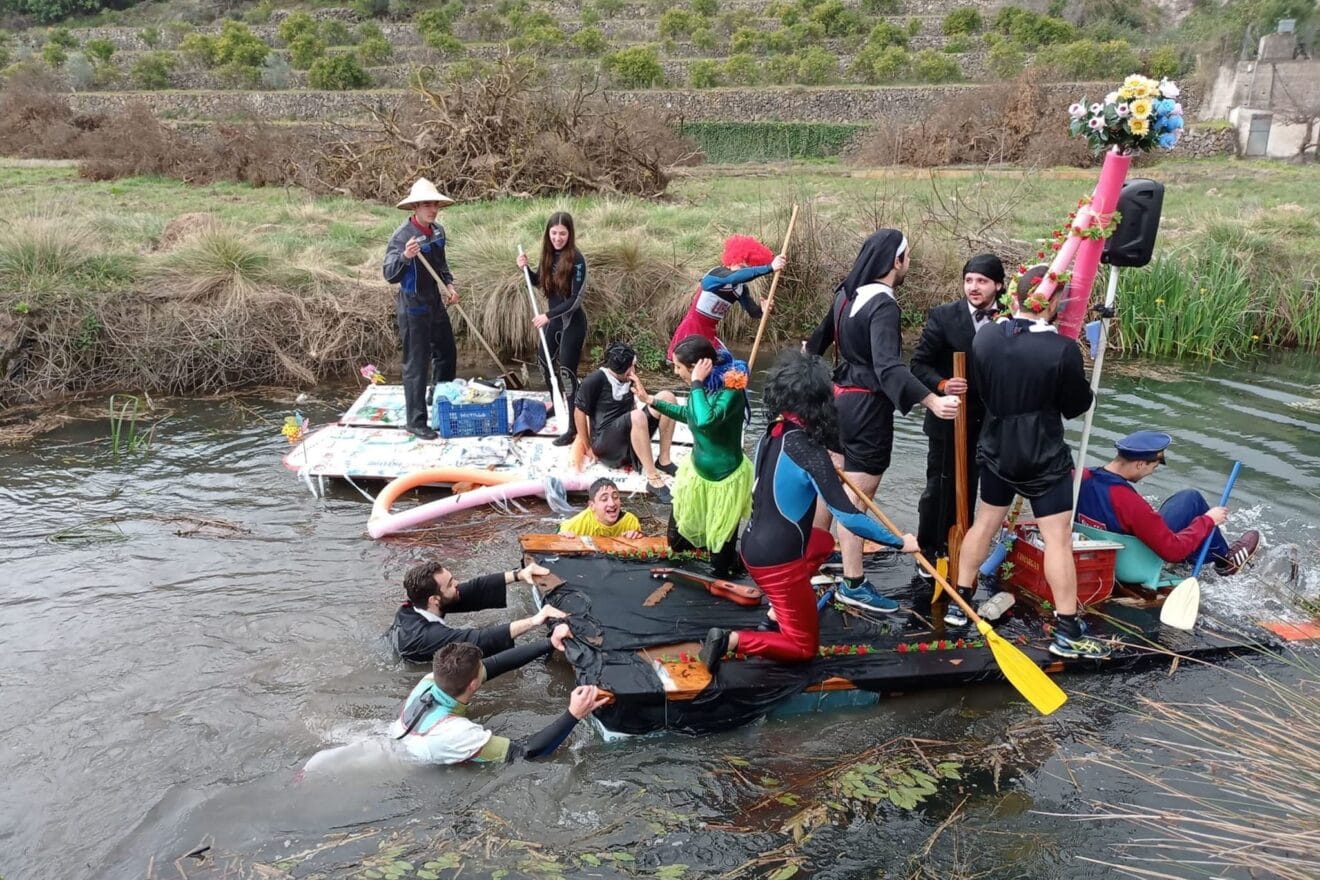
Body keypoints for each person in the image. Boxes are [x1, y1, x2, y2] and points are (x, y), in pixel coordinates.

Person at [698, 353, 920, 672]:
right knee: (803, 648)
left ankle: (778, 609)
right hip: (777, 565)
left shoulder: (771, 433)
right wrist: (901, 543)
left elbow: (791, 478)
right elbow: (851, 518)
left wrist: (822, 469)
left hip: (751, 547)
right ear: (819, 403)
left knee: (822, 543)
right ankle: (731, 640)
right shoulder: (810, 451)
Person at [952, 265, 1109, 658]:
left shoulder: (986, 336)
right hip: (1042, 453)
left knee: (985, 523)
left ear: (1017, 298)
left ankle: (961, 604)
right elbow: (1076, 406)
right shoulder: (1061, 349)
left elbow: (983, 386)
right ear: (1054, 303)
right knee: (1057, 539)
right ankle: (1067, 628)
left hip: (998, 446)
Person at [805, 229, 960, 613]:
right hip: (867, 410)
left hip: (835, 400)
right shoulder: (884, 305)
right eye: (908, 257)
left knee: (832, 487)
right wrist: (931, 401)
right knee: (856, 501)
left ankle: (814, 562)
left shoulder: (846, 293)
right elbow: (888, 366)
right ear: (897, 261)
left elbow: (811, 346)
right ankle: (854, 583)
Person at [910, 253, 1005, 603]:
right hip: (949, 418)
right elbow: (918, 364)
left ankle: (966, 549)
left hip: (990, 423)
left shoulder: (1009, 319)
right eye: (969, 280)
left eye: (981, 281)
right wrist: (942, 384)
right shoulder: (944, 316)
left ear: (998, 284)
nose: (974, 287)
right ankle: (930, 551)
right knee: (939, 487)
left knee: (975, 487)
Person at [635, 335, 752, 579]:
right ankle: (699, 553)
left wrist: (696, 382)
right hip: (696, 474)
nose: (677, 372)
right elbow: (690, 414)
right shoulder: (705, 387)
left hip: (725, 480)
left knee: (721, 564)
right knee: (677, 543)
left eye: (678, 366)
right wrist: (651, 401)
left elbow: (705, 421)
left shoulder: (732, 389)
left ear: (696, 366)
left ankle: (733, 561)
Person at [390, 642, 612, 765]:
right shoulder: (456, 734)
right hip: (414, 764)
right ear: (474, 684)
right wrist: (573, 714)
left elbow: (496, 664)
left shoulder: (430, 682)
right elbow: (526, 753)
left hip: (394, 742)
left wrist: (549, 642)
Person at [1076, 431, 1260, 575]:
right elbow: (1173, 551)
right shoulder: (1128, 501)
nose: (1151, 473)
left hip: (1098, 554)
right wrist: (1208, 520)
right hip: (1133, 564)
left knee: (1185, 500)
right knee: (1191, 500)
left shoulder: (1081, 478)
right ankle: (1225, 561)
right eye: (1153, 467)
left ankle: (1204, 557)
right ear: (1140, 464)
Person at [383, 178, 460, 441]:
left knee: (447, 353)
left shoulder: (438, 232)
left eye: (435, 204)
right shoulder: (401, 237)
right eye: (427, 205)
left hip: (435, 302)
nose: (433, 209)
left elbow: (442, 265)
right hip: (412, 306)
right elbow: (389, 274)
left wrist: (449, 285)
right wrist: (405, 256)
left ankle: (438, 396)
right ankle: (415, 422)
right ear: (415, 207)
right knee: (417, 364)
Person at [388, 559, 567, 663]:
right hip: (403, 661)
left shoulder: (420, 603)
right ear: (434, 600)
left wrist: (519, 574)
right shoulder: (426, 635)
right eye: (451, 584)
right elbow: (478, 640)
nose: (457, 583)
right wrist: (535, 620)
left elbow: (474, 589)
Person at [516, 212, 589, 447]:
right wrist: (526, 270)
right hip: (554, 322)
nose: (558, 238)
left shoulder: (577, 260)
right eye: (554, 233)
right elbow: (539, 282)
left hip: (572, 323)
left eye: (563, 233)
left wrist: (547, 316)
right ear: (548, 234)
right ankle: (559, 405)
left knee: (567, 374)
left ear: (570, 234)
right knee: (544, 364)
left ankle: (573, 427)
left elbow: (575, 300)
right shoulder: (548, 255)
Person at [573, 342, 677, 503]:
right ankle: (653, 478)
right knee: (637, 416)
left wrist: (642, 393)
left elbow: (634, 407)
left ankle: (663, 460)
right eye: (632, 366)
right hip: (607, 446)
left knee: (667, 397)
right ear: (623, 368)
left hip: (630, 437)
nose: (634, 370)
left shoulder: (629, 379)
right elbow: (579, 412)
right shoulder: (595, 380)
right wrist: (588, 447)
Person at [667, 235, 786, 360]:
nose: (743, 271)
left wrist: (763, 310)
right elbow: (733, 277)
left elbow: (753, 312)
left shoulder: (740, 289)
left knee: (727, 372)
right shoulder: (716, 274)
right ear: (732, 260)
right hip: (692, 330)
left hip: (710, 334)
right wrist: (770, 268)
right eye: (741, 266)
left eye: (747, 268)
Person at [559, 477, 644, 539]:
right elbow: (558, 538)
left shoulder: (629, 522)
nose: (612, 503)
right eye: (604, 499)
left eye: (615, 497)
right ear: (592, 506)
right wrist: (565, 538)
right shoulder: (576, 525)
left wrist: (636, 537)